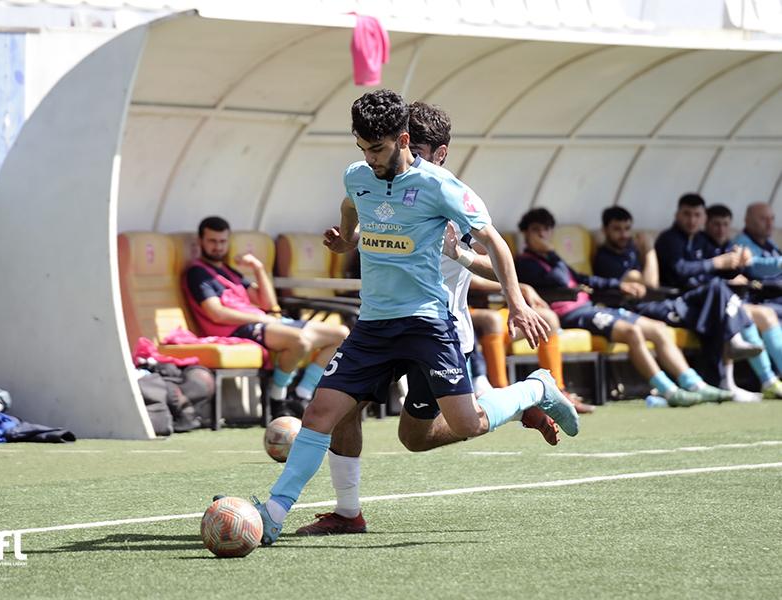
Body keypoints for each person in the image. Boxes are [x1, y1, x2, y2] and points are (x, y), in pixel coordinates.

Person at [238, 89, 578, 547]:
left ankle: (534, 389)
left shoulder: (441, 187)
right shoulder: (358, 174)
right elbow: (351, 204)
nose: (369, 158)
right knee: (321, 412)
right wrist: (348, 239)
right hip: (373, 326)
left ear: (401, 140)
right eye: (362, 148)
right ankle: (276, 514)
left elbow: (495, 244)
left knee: (459, 426)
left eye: (377, 149)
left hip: (427, 325)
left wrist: (516, 303)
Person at [516, 207, 734, 406]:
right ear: (525, 233)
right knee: (632, 332)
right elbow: (560, 279)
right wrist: (551, 251)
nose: (542, 234)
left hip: (591, 307)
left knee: (658, 328)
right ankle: (669, 391)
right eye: (536, 230)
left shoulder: (554, 260)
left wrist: (619, 285)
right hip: (571, 313)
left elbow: (584, 279)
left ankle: (695, 384)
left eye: (546, 230)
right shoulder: (525, 262)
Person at [184, 216, 349, 417]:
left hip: (264, 322)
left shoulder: (228, 271)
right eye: (212, 241)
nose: (218, 247)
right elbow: (216, 314)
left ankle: (302, 395)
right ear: (200, 241)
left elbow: (268, 304)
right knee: (300, 341)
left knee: (342, 335)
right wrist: (262, 319)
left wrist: (258, 268)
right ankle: (277, 398)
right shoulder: (197, 273)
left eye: (222, 241)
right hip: (239, 329)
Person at [652, 194, 770, 386]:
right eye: (687, 214)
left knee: (720, 295)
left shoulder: (700, 240)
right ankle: (735, 358)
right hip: (677, 302)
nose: (692, 220)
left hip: (704, 302)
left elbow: (722, 271)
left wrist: (738, 264)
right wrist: (716, 262)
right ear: (677, 215)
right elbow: (680, 270)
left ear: (703, 218)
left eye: (697, 215)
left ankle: (730, 379)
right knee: (718, 292)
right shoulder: (669, 239)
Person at [703, 204, 782, 400]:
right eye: (763, 219)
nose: (769, 223)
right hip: (722, 305)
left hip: (737, 302)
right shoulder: (736, 244)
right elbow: (753, 269)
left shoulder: (765, 245)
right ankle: (768, 380)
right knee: (756, 314)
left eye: (725, 224)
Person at [592, 206, 658, 289]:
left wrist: (642, 251)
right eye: (617, 229)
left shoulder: (630, 249)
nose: (624, 235)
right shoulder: (604, 259)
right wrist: (649, 249)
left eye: (627, 228)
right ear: (604, 230)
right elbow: (651, 285)